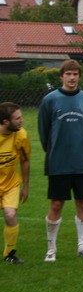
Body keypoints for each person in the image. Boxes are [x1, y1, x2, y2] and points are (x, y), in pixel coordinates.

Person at [38, 60, 83, 262]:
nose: (72, 78)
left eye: (75, 74)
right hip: (59, 161)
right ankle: (51, 249)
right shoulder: (50, 100)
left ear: (79, 76)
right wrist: (55, 151)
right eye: (68, 74)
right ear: (61, 76)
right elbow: (44, 132)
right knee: (56, 204)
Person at [0, 103, 31, 264]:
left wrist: (25, 186)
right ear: (6, 122)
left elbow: (25, 161)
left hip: (11, 183)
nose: (22, 120)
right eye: (18, 118)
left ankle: (9, 253)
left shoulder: (21, 135)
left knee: (10, 215)